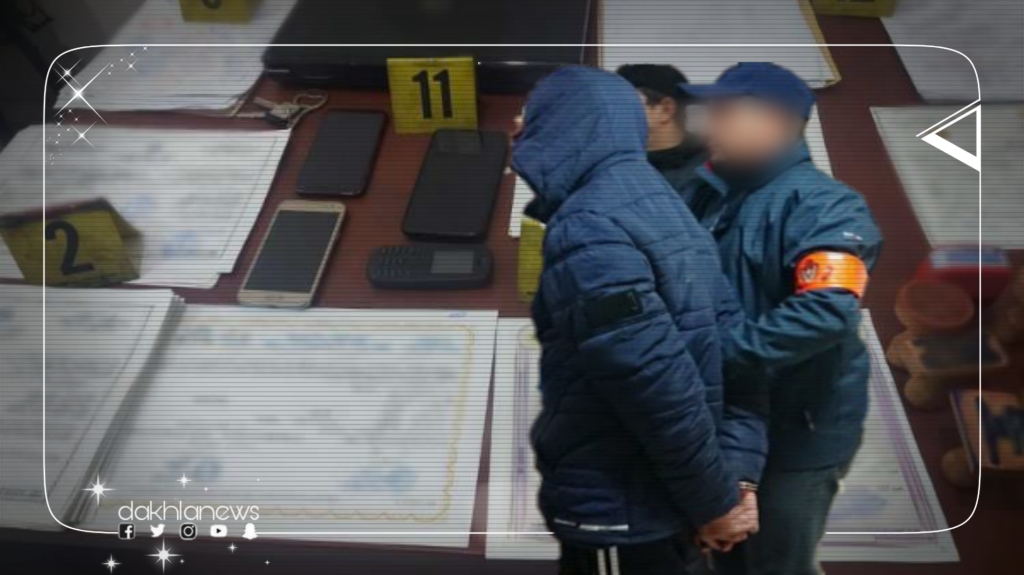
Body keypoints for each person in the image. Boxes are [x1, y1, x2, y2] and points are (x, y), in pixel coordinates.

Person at [511, 65, 766, 575]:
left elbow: (655, 388)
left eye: (532, 112)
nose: (518, 125)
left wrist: (715, 504)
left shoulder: (588, 226)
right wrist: (737, 479)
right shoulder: (663, 202)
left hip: (618, 505)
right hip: (673, 496)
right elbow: (739, 355)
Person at [677, 63, 884, 575]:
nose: (708, 124)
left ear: (775, 120)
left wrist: (708, 356)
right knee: (720, 545)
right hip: (728, 417)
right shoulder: (713, 186)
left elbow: (826, 314)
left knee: (776, 557)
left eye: (724, 112)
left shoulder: (826, 207)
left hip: (797, 431)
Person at [617, 64, 708, 192]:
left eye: (623, 104)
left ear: (666, 109)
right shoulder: (616, 164)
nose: (611, 115)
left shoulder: (707, 175)